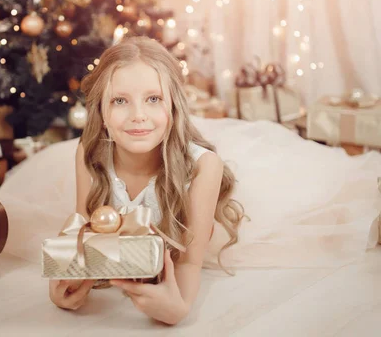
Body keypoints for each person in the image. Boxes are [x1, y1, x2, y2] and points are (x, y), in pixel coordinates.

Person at [48, 37, 247, 325]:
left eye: (153, 99)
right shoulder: (90, 153)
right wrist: (64, 285)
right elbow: (83, 230)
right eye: (119, 101)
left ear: (174, 105)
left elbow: (190, 261)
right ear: (102, 112)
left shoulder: (204, 167)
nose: (138, 116)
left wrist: (179, 308)